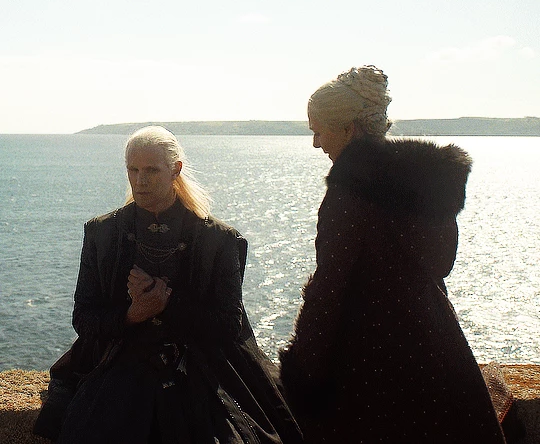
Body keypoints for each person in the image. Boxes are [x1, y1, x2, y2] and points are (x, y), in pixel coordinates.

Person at [278, 66, 506, 443]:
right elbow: (442, 263)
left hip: (369, 363)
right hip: (434, 344)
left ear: (349, 129)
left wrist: (301, 370)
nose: (316, 144)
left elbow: (330, 288)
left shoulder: (349, 194)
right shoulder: (426, 181)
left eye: (319, 131)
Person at [34, 126, 302, 443]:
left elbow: (230, 325)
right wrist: (132, 315)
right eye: (133, 170)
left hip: (200, 371)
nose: (140, 181)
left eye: (151, 170)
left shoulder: (219, 239)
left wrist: (167, 303)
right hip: (119, 367)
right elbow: (83, 318)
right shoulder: (102, 233)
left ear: (176, 169)